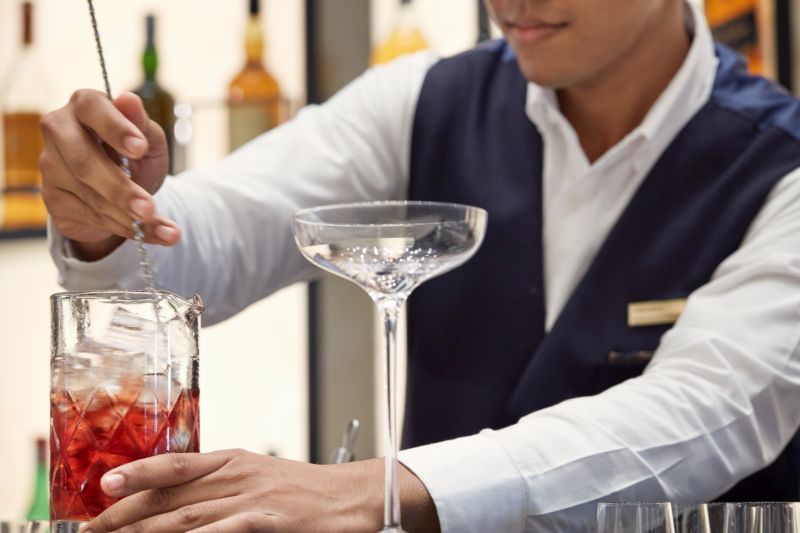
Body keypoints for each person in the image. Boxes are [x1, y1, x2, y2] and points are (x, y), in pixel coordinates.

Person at [41, 0, 800, 531]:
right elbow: (211, 236)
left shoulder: (781, 169)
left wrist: (368, 492)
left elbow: (701, 416)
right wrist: (106, 217)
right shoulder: (426, 100)